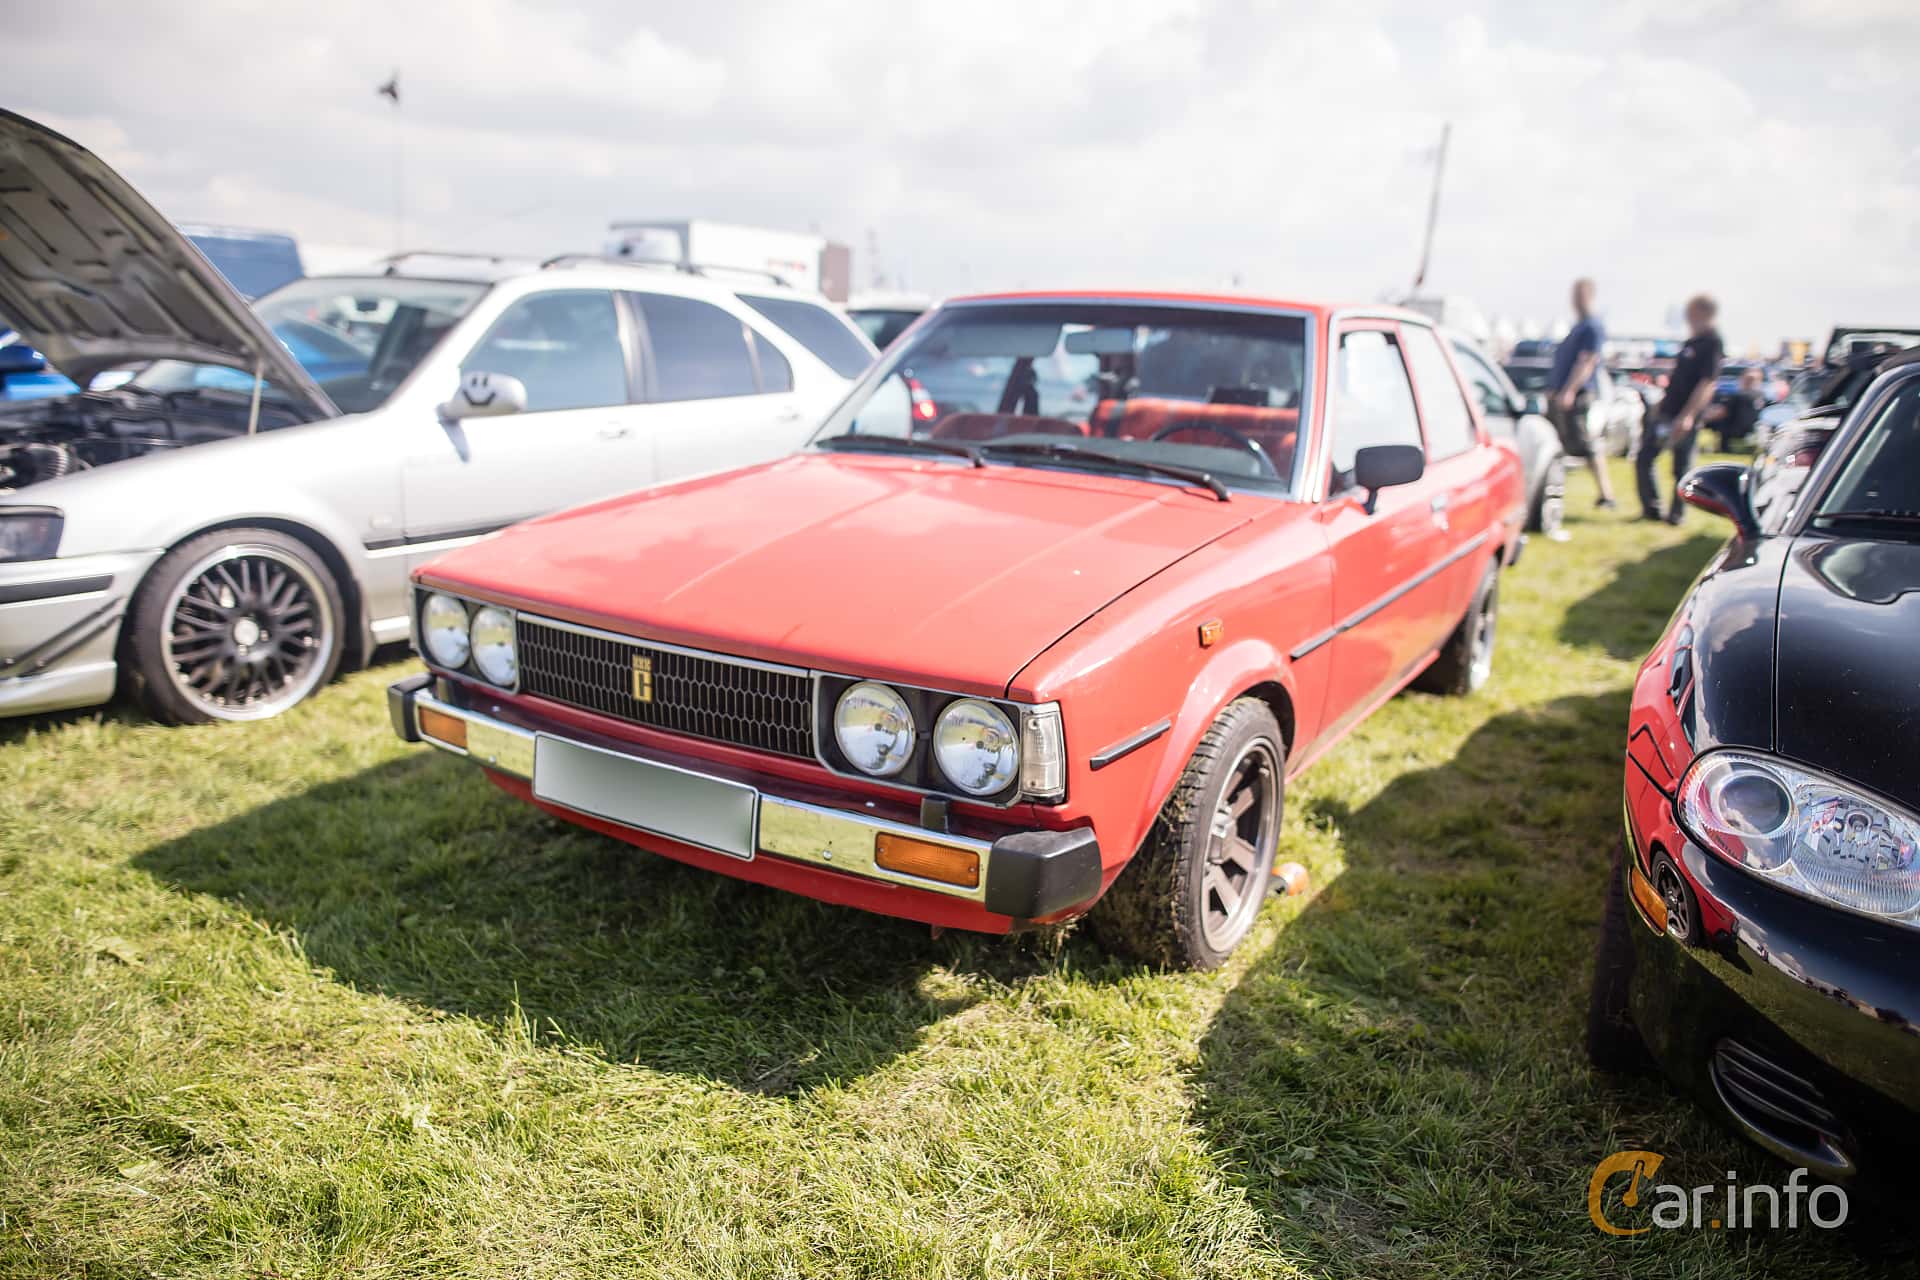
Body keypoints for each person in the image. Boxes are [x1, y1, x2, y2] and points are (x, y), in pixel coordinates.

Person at [1637, 295, 1725, 524]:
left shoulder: (1712, 343)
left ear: (1704, 313)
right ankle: (1652, 509)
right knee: (1645, 457)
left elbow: (1707, 383)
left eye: (1692, 312)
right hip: (1668, 412)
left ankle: (1677, 515)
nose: (1688, 318)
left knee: (1681, 467)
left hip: (1685, 416)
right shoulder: (1692, 342)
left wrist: (1688, 416)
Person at [1546, 278, 1617, 509]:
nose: (1575, 301)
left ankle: (1606, 495)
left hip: (1578, 395)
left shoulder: (1592, 327)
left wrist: (1569, 390)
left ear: (1589, 296)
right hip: (1563, 394)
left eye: (1580, 295)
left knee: (1586, 444)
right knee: (1560, 444)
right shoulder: (1578, 326)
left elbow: (1587, 361)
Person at [1702, 366, 1763, 451]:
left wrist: (1703, 418)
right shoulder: (1761, 397)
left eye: (1749, 379)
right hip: (1750, 429)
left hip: (1732, 428)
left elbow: (1722, 412)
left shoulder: (1738, 396)